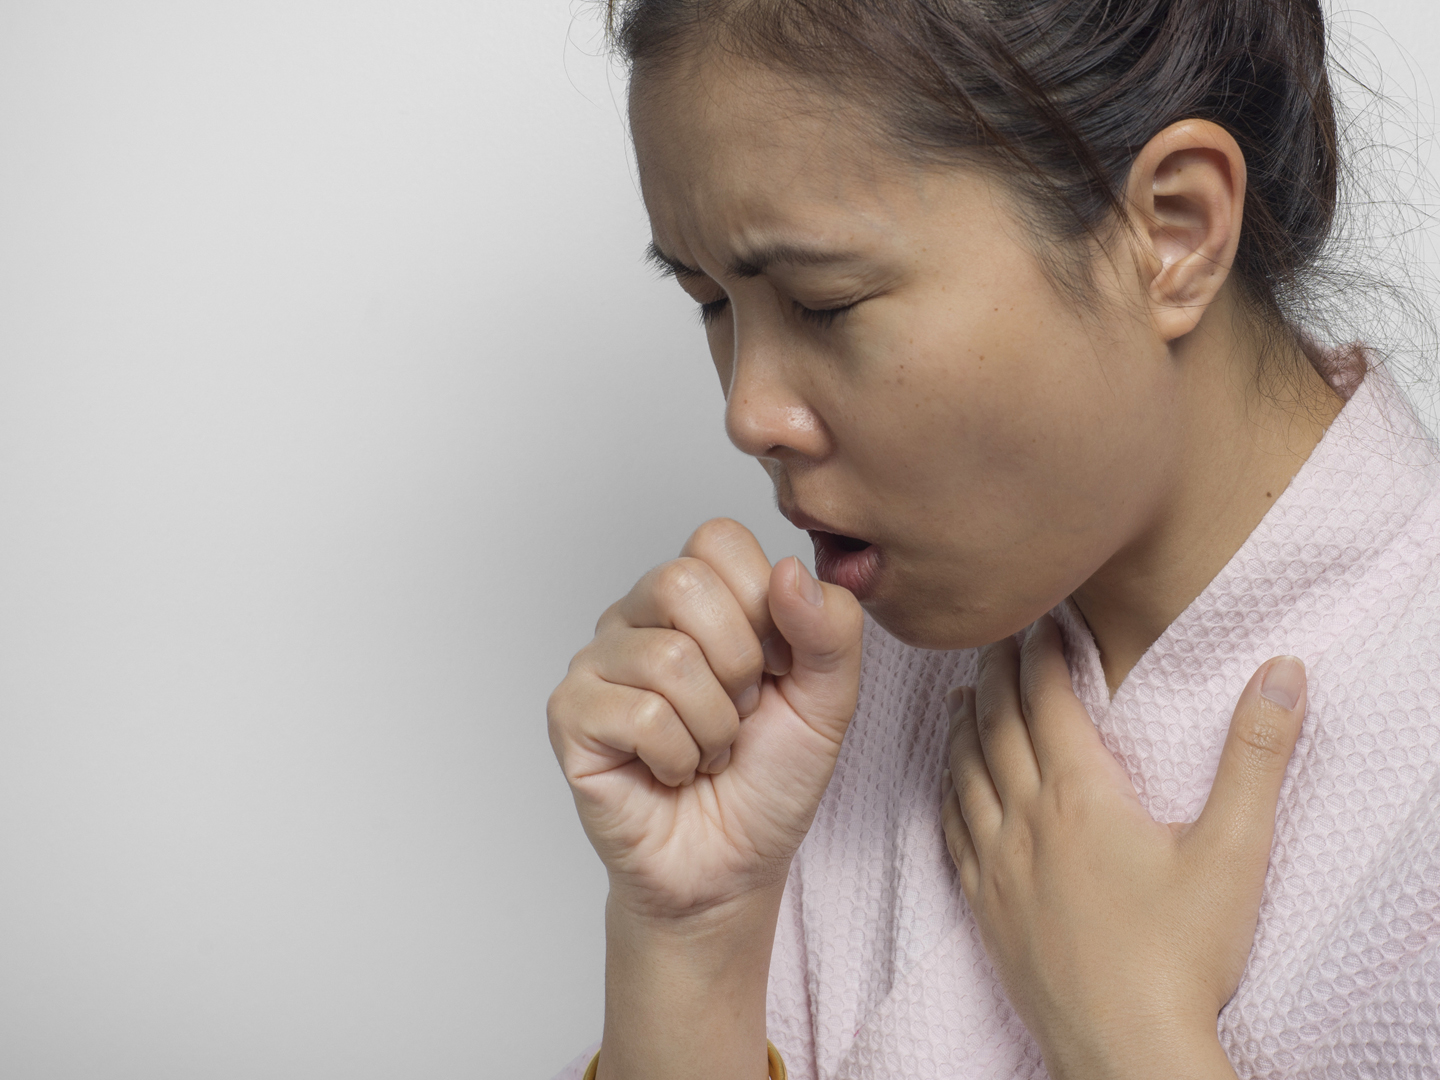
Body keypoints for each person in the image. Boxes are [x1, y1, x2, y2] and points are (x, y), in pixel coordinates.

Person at [547, 1, 1440, 1076]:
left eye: (824, 303)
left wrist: (1134, 1042)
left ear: (1173, 231)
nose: (748, 413)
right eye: (710, 302)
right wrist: (691, 943)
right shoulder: (836, 703)